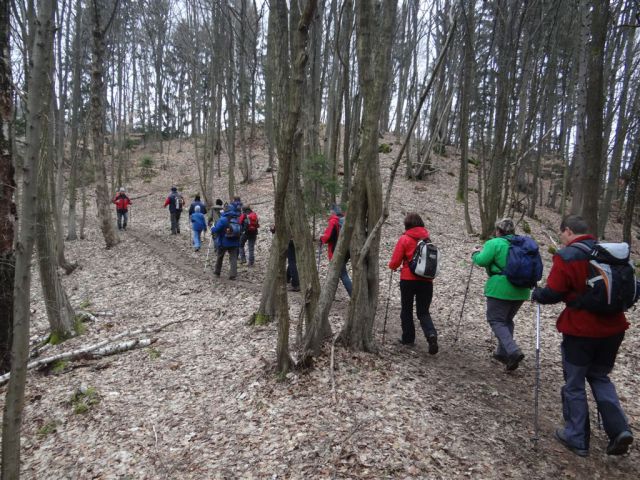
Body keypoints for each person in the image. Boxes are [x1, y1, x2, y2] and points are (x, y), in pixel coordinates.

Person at [531, 215, 633, 457]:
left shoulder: (568, 256)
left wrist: (538, 294)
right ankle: (619, 430)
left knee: (575, 383)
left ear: (567, 231)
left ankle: (576, 437)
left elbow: (554, 292)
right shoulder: (609, 253)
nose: (561, 239)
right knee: (600, 377)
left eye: (562, 234)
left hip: (581, 330)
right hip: (614, 328)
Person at [471, 218, 531, 371]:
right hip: (522, 289)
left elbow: (482, 261)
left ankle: (512, 351)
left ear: (498, 231)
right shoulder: (523, 244)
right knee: (507, 319)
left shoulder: (495, 243)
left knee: (496, 320)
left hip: (500, 289)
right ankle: (502, 353)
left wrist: (475, 254)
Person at [388, 212, 438, 354]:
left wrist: (392, 266)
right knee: (423, 312)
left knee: (406, 309)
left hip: (408, 280)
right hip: (427, 281)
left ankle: (408, 338)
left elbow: (395, 262)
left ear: (407, 225)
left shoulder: (404, 239)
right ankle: (431, 334)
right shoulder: (428, 239)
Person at [320, 205, 352, 297]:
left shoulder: (333, 221)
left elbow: (327, 237)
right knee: (335, 273)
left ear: (332, 212)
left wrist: (321, 238)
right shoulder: (344, 219)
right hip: (347, 251)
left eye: (329, 212)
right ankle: (329, 294)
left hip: (336, 251)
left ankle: (353, 295)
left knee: (342, 274)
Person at [210, 203, 241, 279]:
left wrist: (212, 228)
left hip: (223, 242)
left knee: (220, 256)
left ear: (225, 210)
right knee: (233, 258)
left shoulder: (223, 219)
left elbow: (216, 230)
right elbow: (241, 229)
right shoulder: (237, 219)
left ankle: (217, 272)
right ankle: (233, 274)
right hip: (234, 241)